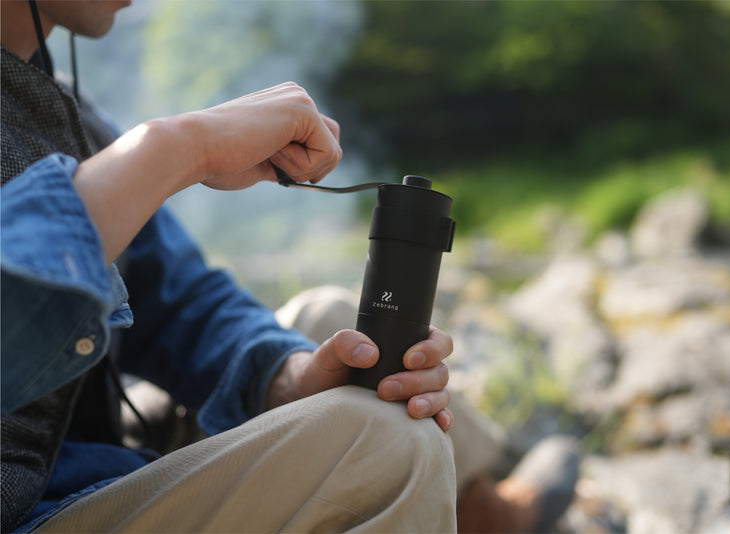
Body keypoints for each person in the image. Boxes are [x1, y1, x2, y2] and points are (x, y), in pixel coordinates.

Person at [0, 1, 579, 532]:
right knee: (395, 444)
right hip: (35, 507)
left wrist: (288, 380)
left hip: (103, 456)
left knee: (329, 331)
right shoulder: (124, 139)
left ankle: (488, 517)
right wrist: (176, 148)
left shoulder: (67, 109)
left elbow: (180, 301)